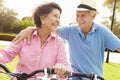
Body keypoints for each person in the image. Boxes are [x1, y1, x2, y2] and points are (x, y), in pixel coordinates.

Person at [12, 0, 120, 80]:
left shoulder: (102, 32)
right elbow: (49, 27)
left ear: (93, 16)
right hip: (74, 76)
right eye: (77, 16)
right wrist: (31, 28)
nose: (79, 19)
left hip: (94, 77)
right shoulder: (71, 30)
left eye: (83, 16)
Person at [0, 2, 72, 80]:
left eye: (59, 17)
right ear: (42, 18)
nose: (58, 20)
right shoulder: (25, 36)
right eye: (55, 16)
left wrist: (63, 70)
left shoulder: (59, 42)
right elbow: (6, 54)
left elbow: (69, 72)